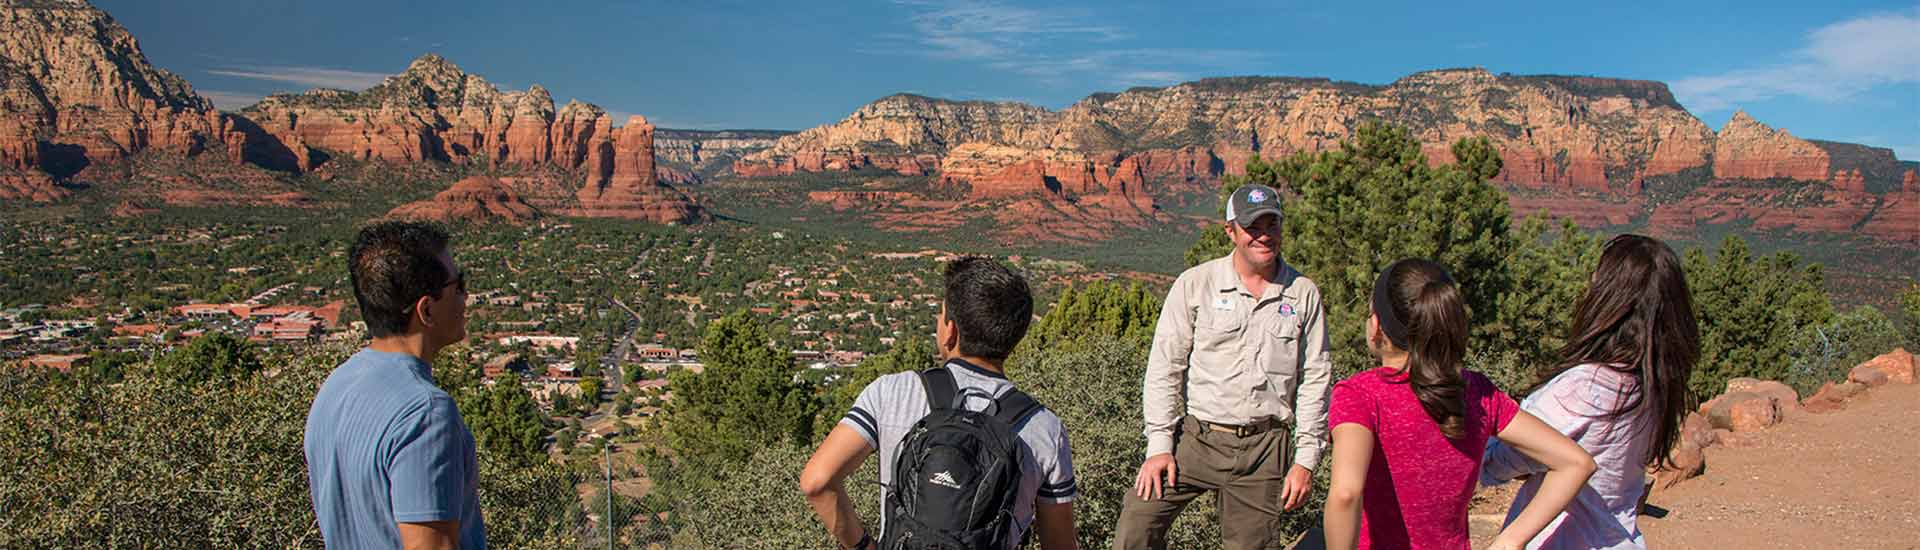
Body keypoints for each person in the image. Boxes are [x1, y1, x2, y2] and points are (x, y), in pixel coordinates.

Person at [800, 257, 1079, 550]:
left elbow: (817, 482)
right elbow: (1059, 543)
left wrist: (863, 546)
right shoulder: (1044, 428)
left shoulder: (894, 392)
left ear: (951, 331)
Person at [1115, 184, 1332, 550]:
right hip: (1195, 439)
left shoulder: (1302, 293)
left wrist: (1306, 459)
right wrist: (1159, 447)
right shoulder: (1196, 284)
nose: (1264, 235)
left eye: (1272, 224)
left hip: (1264, 447)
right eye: (1253, 226)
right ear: (1230, 231)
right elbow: (1166, 367)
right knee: (1136, 526)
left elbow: (1316, 377)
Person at [1322, 258, 1595, 550]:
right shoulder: (1476, 392)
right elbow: (1576, 463)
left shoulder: (1359, 395)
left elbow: (1346, 494)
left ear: (1376, 326)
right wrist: (1510, 541)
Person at [1480, 235, 1700, 549]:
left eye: (1596, 279)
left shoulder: (1583, 387)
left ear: (1610, 298)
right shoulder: (1655, 384)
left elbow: (1502, 462)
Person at [305, 221, 484, 550]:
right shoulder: (426, 413)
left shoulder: (337, 384)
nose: (465, 296)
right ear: (427, 309)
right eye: (458, 285)